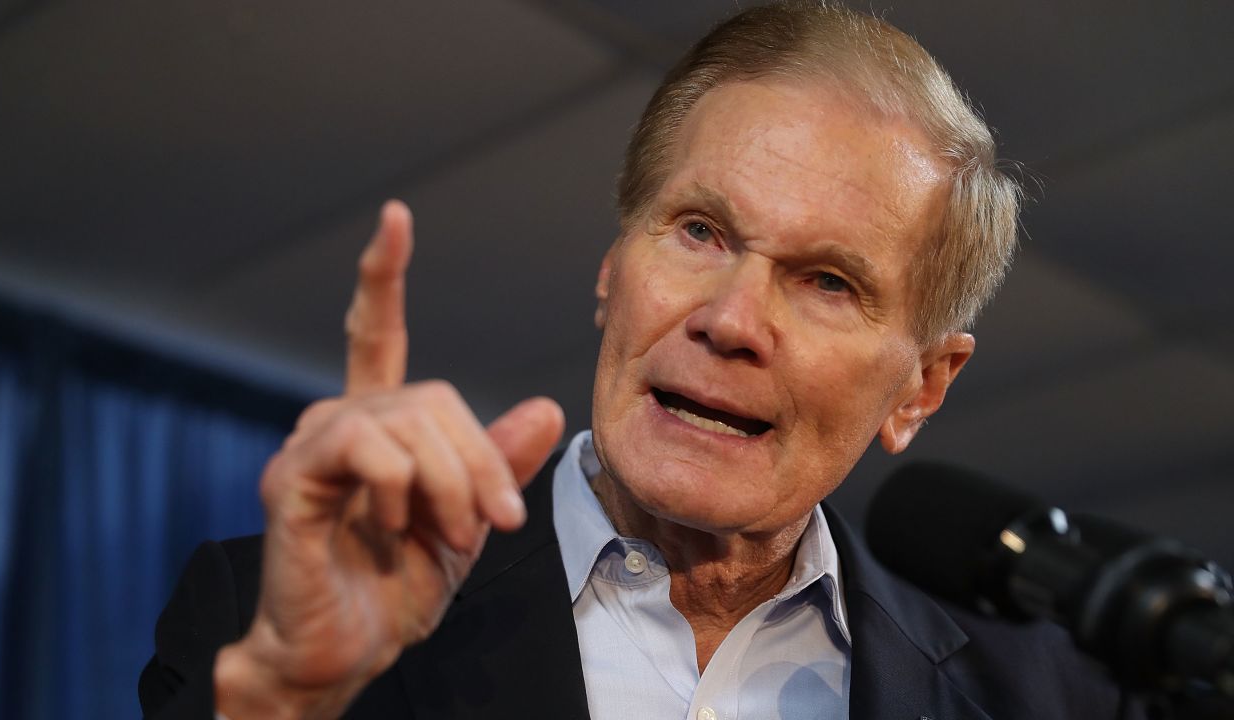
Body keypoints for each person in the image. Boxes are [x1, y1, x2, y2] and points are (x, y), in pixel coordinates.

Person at [141, 3, 1143, 718]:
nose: (731, 319)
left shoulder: (1052, 696)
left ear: (919, 387)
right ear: (613, 270)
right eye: (701, 231)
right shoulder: (265, 623)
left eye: (826, 281)